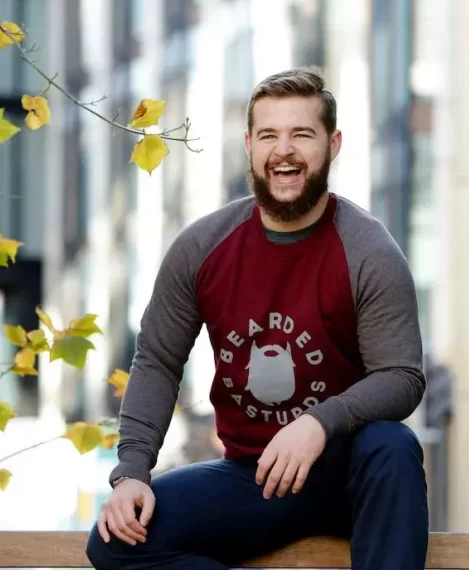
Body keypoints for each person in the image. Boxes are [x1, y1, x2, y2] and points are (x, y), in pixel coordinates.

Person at [85, 67, 429, 570]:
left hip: (348, 477)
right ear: (249, 144)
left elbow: (402, 377)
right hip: (253, 478)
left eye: (302, 135)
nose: (283, 150)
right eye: (269, 135)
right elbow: (158, 360)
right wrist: (132, 472)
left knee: (393, 446)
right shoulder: (203, 248)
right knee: (116, 542)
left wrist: (318, 423)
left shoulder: (368, 252)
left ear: (333, 146)